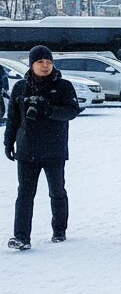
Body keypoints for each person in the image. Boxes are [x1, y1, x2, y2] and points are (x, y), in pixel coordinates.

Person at [3, 45, 81, 250]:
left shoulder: (63, 86)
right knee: (25, 194)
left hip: (54, 150)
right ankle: (21, 237)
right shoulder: (20, 87)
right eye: (40, 62)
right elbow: (13, 117)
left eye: (48, 62)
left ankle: (59, 229)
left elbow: (72, 111)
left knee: (57, 192)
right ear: (31, 64)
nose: (45, 66)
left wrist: (48, 110)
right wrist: (8, 141)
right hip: (27, 150)